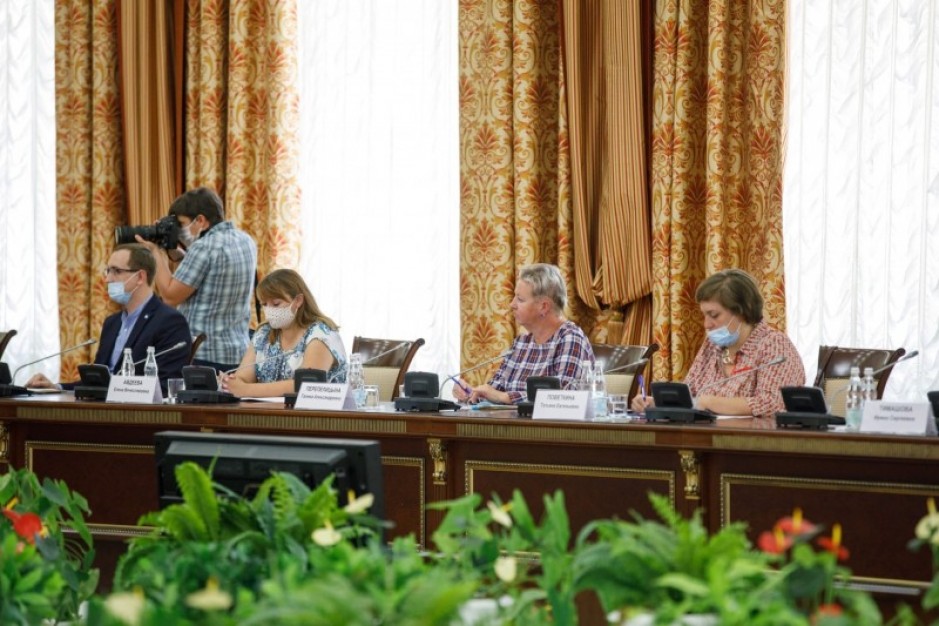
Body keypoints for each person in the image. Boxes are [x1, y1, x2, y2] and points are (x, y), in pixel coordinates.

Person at [631, 268, 805, 425]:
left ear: (742, 311)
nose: (706, 324)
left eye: (714, 315)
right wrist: (656, 403)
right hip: (706, 439)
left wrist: (709, 402)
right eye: (704, 315)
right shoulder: (712, 345)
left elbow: (772, 403)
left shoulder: (774, 344)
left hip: (756, 443)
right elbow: (689, 394)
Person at [26, 244, 192, 391]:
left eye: (116, 271)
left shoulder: (169, 322)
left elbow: (166, 385)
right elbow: (98, 382)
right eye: (108, 271)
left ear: (140, 277)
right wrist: (57, 387)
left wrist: (117, 388)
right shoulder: (112, 323)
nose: (107, 279)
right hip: (103, 409)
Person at [138, 187, 257, 373]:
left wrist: (155, 252)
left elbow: (169, 296)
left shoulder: (203, 247)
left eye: (182, 223)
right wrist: (175, 252)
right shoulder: (246, 240)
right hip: (237, 353)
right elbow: (210, 275)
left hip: (203, 355)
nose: (180, 230)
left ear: (200, 220)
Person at [454, 263, 595, 405]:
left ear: (543, 306)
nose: (512, 304)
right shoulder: (521, 343)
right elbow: (494, 392)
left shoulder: (570, 338)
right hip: (513, 420)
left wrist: (505, 397)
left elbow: (563, 396)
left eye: (520, 299)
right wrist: (471, 393)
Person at [220, 269, 347, 397]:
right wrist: (230, 383)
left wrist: (247, 390)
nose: (269, 310)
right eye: (264, 304)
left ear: (298, 301)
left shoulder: (321, 334)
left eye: (276, 304)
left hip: (319, 409)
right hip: (267, 409)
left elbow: (307, 385)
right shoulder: (264, 333)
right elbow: (242, 378)